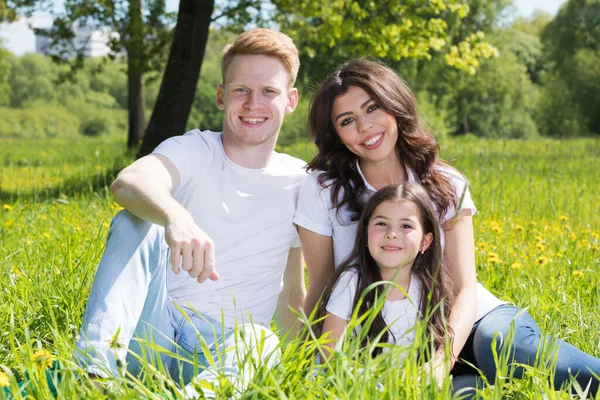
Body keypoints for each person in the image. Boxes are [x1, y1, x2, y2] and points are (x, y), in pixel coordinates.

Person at [293, 59, 600, 395]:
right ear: (335, 133)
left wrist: (442, 359)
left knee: (497, 343)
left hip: (470, 322)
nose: (365, 126)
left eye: (373, 108)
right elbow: (322, 283)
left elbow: (465, 288)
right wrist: (297, 361)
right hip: (388, 341)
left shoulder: (445, 183)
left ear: (395, 106)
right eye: (347, 120)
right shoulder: (324, 189)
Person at [75, 28, 307, 398]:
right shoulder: (196, 149)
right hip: (156, 332)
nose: (252, 104)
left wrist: (307, 369)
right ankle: (94, 376)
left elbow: (294, 291)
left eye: (268, 92)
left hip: (227, 351)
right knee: (137, 221)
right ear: (221, 96)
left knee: (263, 339)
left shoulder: (302, 182)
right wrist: (175, 216)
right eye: (241, 90)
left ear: (290, 100)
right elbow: (129, 181)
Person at [315, 183, 600, 396]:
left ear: (426, 242)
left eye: (405, 226)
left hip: (451, 354)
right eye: (381, 225)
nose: (392, 233)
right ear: (365, 235)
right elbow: (330, 351)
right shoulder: (353, 282)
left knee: (491, 365)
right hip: (381, 381)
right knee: (469, 390)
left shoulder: (430, 283)